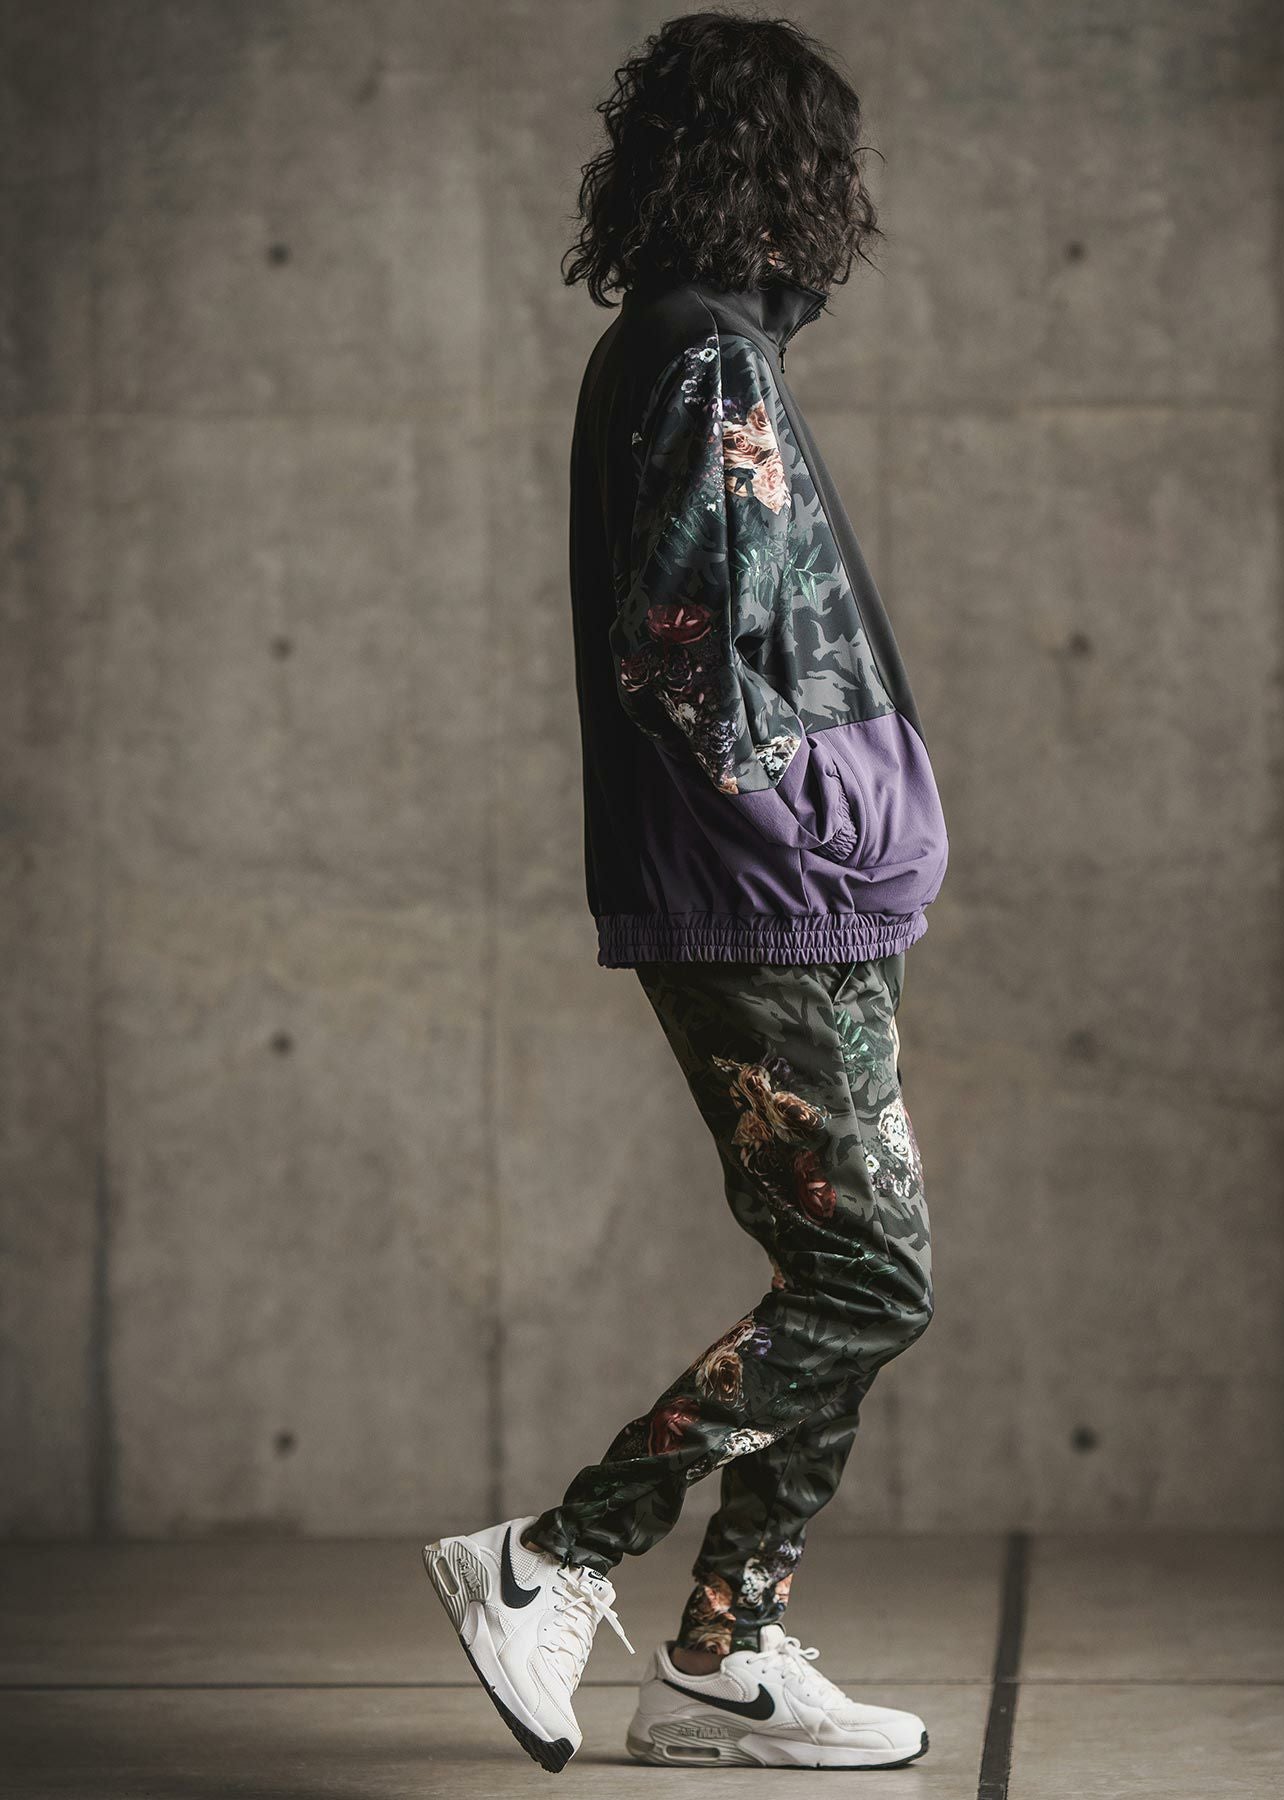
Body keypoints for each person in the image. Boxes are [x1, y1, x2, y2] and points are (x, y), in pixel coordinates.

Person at [424, 10, 948, 1773]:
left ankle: (731, 1648)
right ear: (781, 169)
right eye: (829, 163)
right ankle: (552, 1558)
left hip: (794, 895)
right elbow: (680, 651)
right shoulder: (700, 360)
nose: (844, 198)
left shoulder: (700, 349)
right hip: (760, 896)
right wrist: (811, 826)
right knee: (867, 1279)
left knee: (842, 1270)